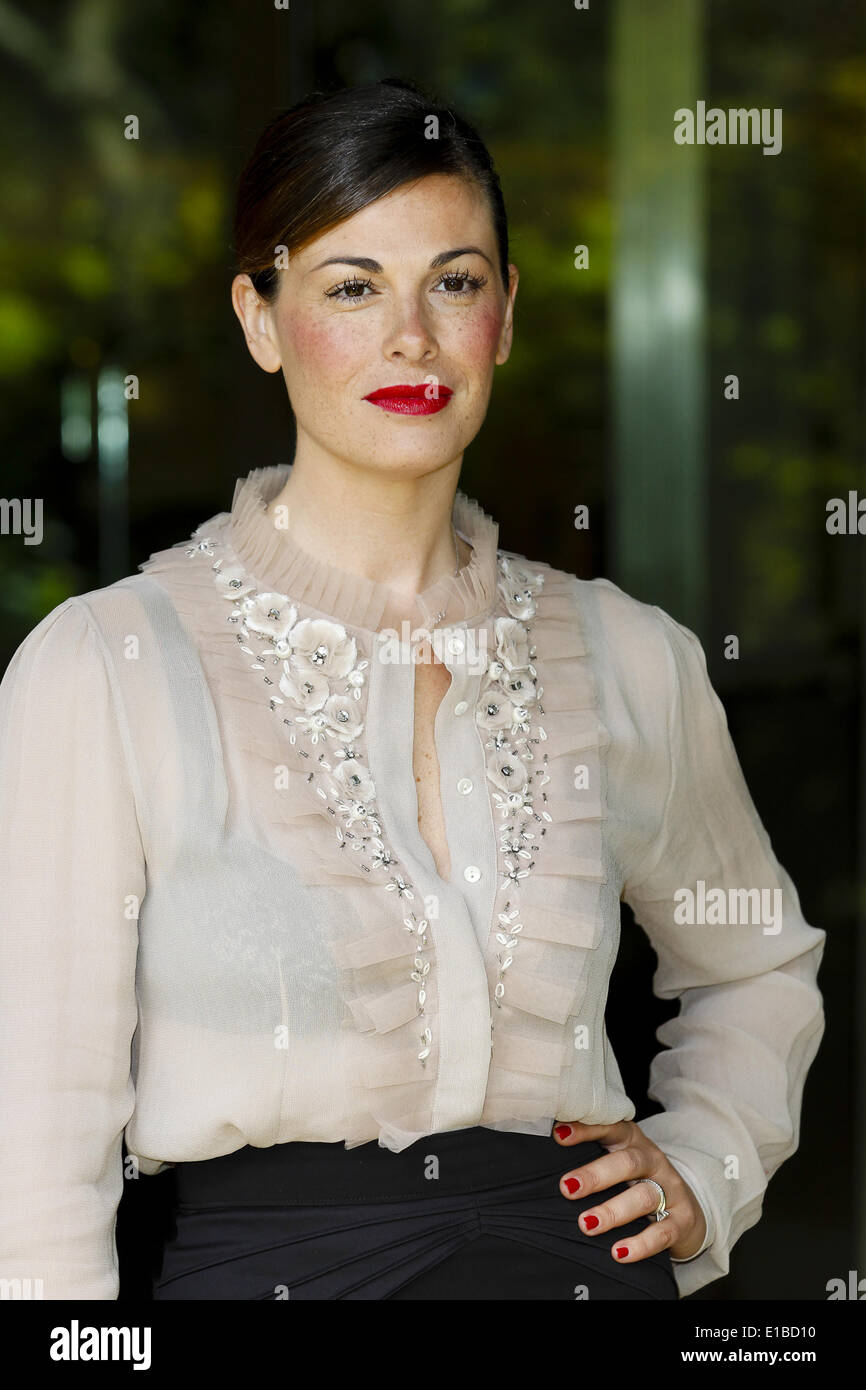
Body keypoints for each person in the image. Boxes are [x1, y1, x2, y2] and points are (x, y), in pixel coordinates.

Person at [0, 77, 825, 1303]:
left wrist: (703, 1162)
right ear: (260, 318)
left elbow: (753, 963)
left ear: (501, 316)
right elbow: (38, 1134)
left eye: (453, 281)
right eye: (348, 287)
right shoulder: (108, 665)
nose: (409, 338)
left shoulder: (624, 653)